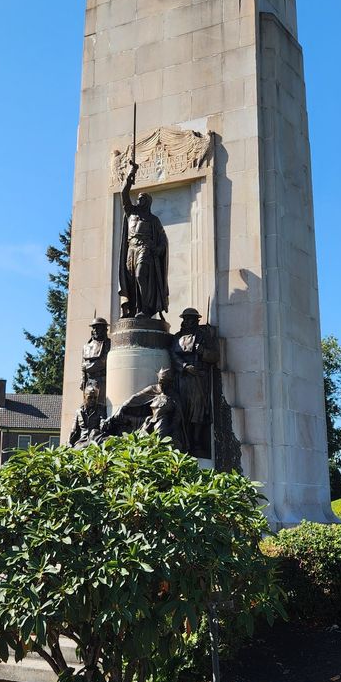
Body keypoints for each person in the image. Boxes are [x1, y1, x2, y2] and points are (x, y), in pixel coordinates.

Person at [118, 158, 168, 319]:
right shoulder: (131, 213)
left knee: (140, 275)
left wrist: (158, 249)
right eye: (138, 198)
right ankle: (134, 309)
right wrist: (131, 173)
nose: (139, 200)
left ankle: (145, 309)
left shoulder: (153, 220)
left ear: (148, 202)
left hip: (145, 248)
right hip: (131, 249)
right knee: (131, 280)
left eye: (142, 199)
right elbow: (123, 193)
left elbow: (163, 241)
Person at [170, 308, 219, 458]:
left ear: (196, 321)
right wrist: (184, 366)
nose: (186, 322)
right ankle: (186, 441)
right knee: (183, 409)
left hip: (199, 377)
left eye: (190, 319)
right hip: (183, 377)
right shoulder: (177, 337)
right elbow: (172, 354)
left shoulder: (203, 337)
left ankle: (197, 442)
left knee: (198, 410)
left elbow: (215, 356)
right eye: (185, 319)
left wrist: (203, 351)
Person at [80, 317, 110, 392]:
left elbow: (103, 362)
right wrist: (82, 379)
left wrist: (86, 367)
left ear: (104, 329)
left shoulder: (108, 344)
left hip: (102, 381)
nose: (95, 330)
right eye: (94, 328)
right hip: (88, 383)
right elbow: (82, 364)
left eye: (98, 328)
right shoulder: (86, 346)